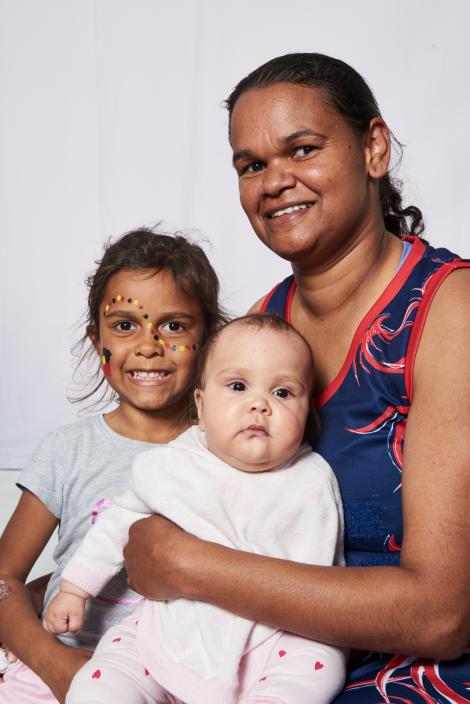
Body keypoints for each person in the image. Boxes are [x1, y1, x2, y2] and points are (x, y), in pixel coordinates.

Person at [119, 54, 470, 702]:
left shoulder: (451, 312)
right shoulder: (262, 326)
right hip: (263, 669)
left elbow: (441, 616)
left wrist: (189, 565)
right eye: (251, 165)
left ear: (373, 148)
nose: (274, 181)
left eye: (301, 149)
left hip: (421, 684)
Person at [44, 313, 346, 704]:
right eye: (238, 386)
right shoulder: (173, 466)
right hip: (172, 627)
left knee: (320, 664)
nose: (260, 405)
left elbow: (324, 579)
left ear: (308, 414)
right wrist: (74, 589)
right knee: (110, 667)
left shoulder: (311, 481)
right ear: (201, 407)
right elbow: (116, 524)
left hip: (278, 638)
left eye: (283, 393)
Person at [0, 226, 226, 703]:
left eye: (173, 325)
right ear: (95, 338)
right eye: (124, 325)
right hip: (57, 673)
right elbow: (4, 578)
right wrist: (54, 664)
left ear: (207, 338)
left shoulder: (226, 455)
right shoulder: (67, 451)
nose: (148, 345)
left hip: (174, 682)